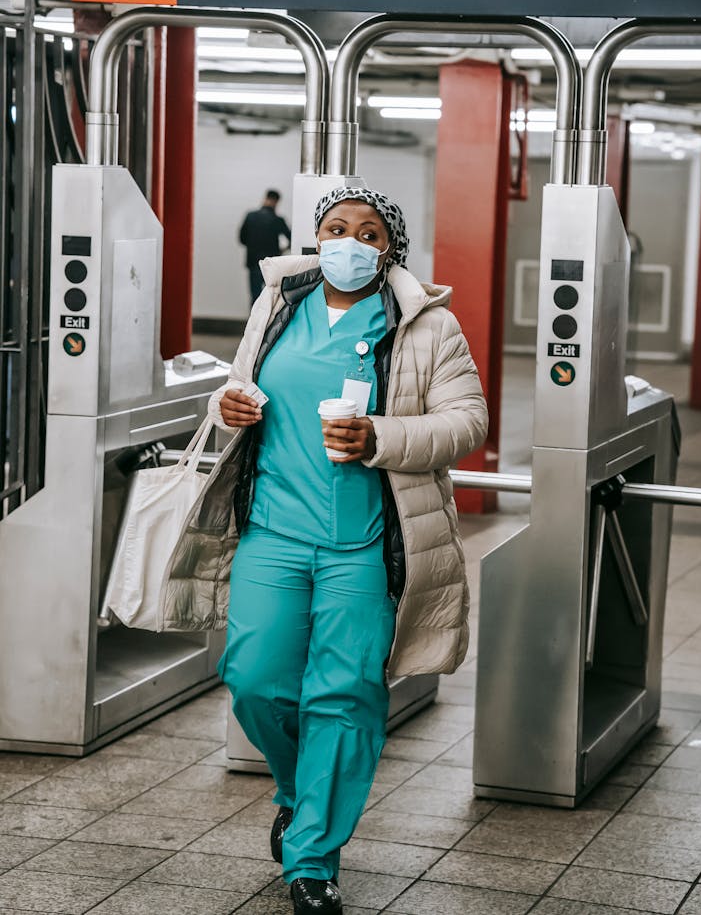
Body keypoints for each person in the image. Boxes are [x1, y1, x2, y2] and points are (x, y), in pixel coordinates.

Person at [158, 187, 488, 915]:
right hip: (273, 530)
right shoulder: (279, 301)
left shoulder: (424, 324)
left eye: (367, 232)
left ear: (389, 249)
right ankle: (299, 790)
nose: (349, 241)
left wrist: (381, 437)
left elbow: (468, 420)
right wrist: (227, 404)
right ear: (316, 236)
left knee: (343, 696)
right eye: (336, 228)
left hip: (361, 543)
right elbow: (238, 387)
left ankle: (312, 856)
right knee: (254, 676)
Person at [239, 188, 291, 303]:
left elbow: (242, 239)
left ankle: (255, 320)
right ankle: (269, 321)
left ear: (265, 198)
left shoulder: (250, 216)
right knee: (272, 296)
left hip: (253, 262)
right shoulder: (278, 220)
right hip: (271, 263)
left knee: (255, 296)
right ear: (277, 202)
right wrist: (282, 250)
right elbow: (291, 239)